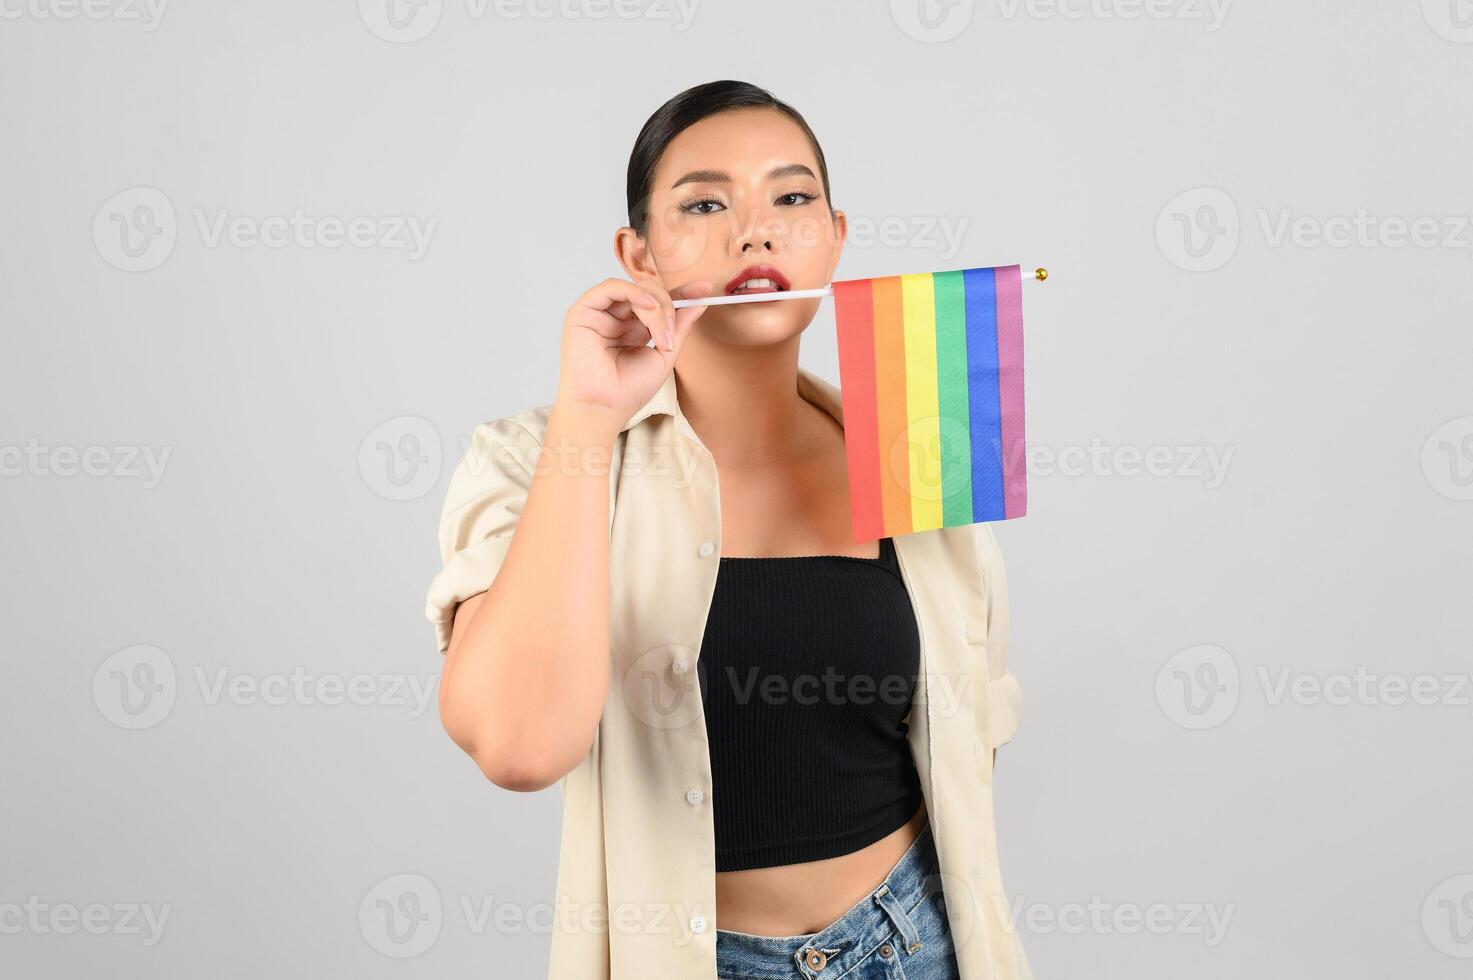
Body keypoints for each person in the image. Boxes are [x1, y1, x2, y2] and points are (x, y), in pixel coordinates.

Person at [426, 79, 1033, 979]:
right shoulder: (533, 457)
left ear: (834, 236)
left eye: (791, 198)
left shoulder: (915, 434)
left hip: (916, 940)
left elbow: (963, 722)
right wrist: (588, 419)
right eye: (704, 203)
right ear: (639, 256)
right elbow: (519, 747)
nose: (755, 231)